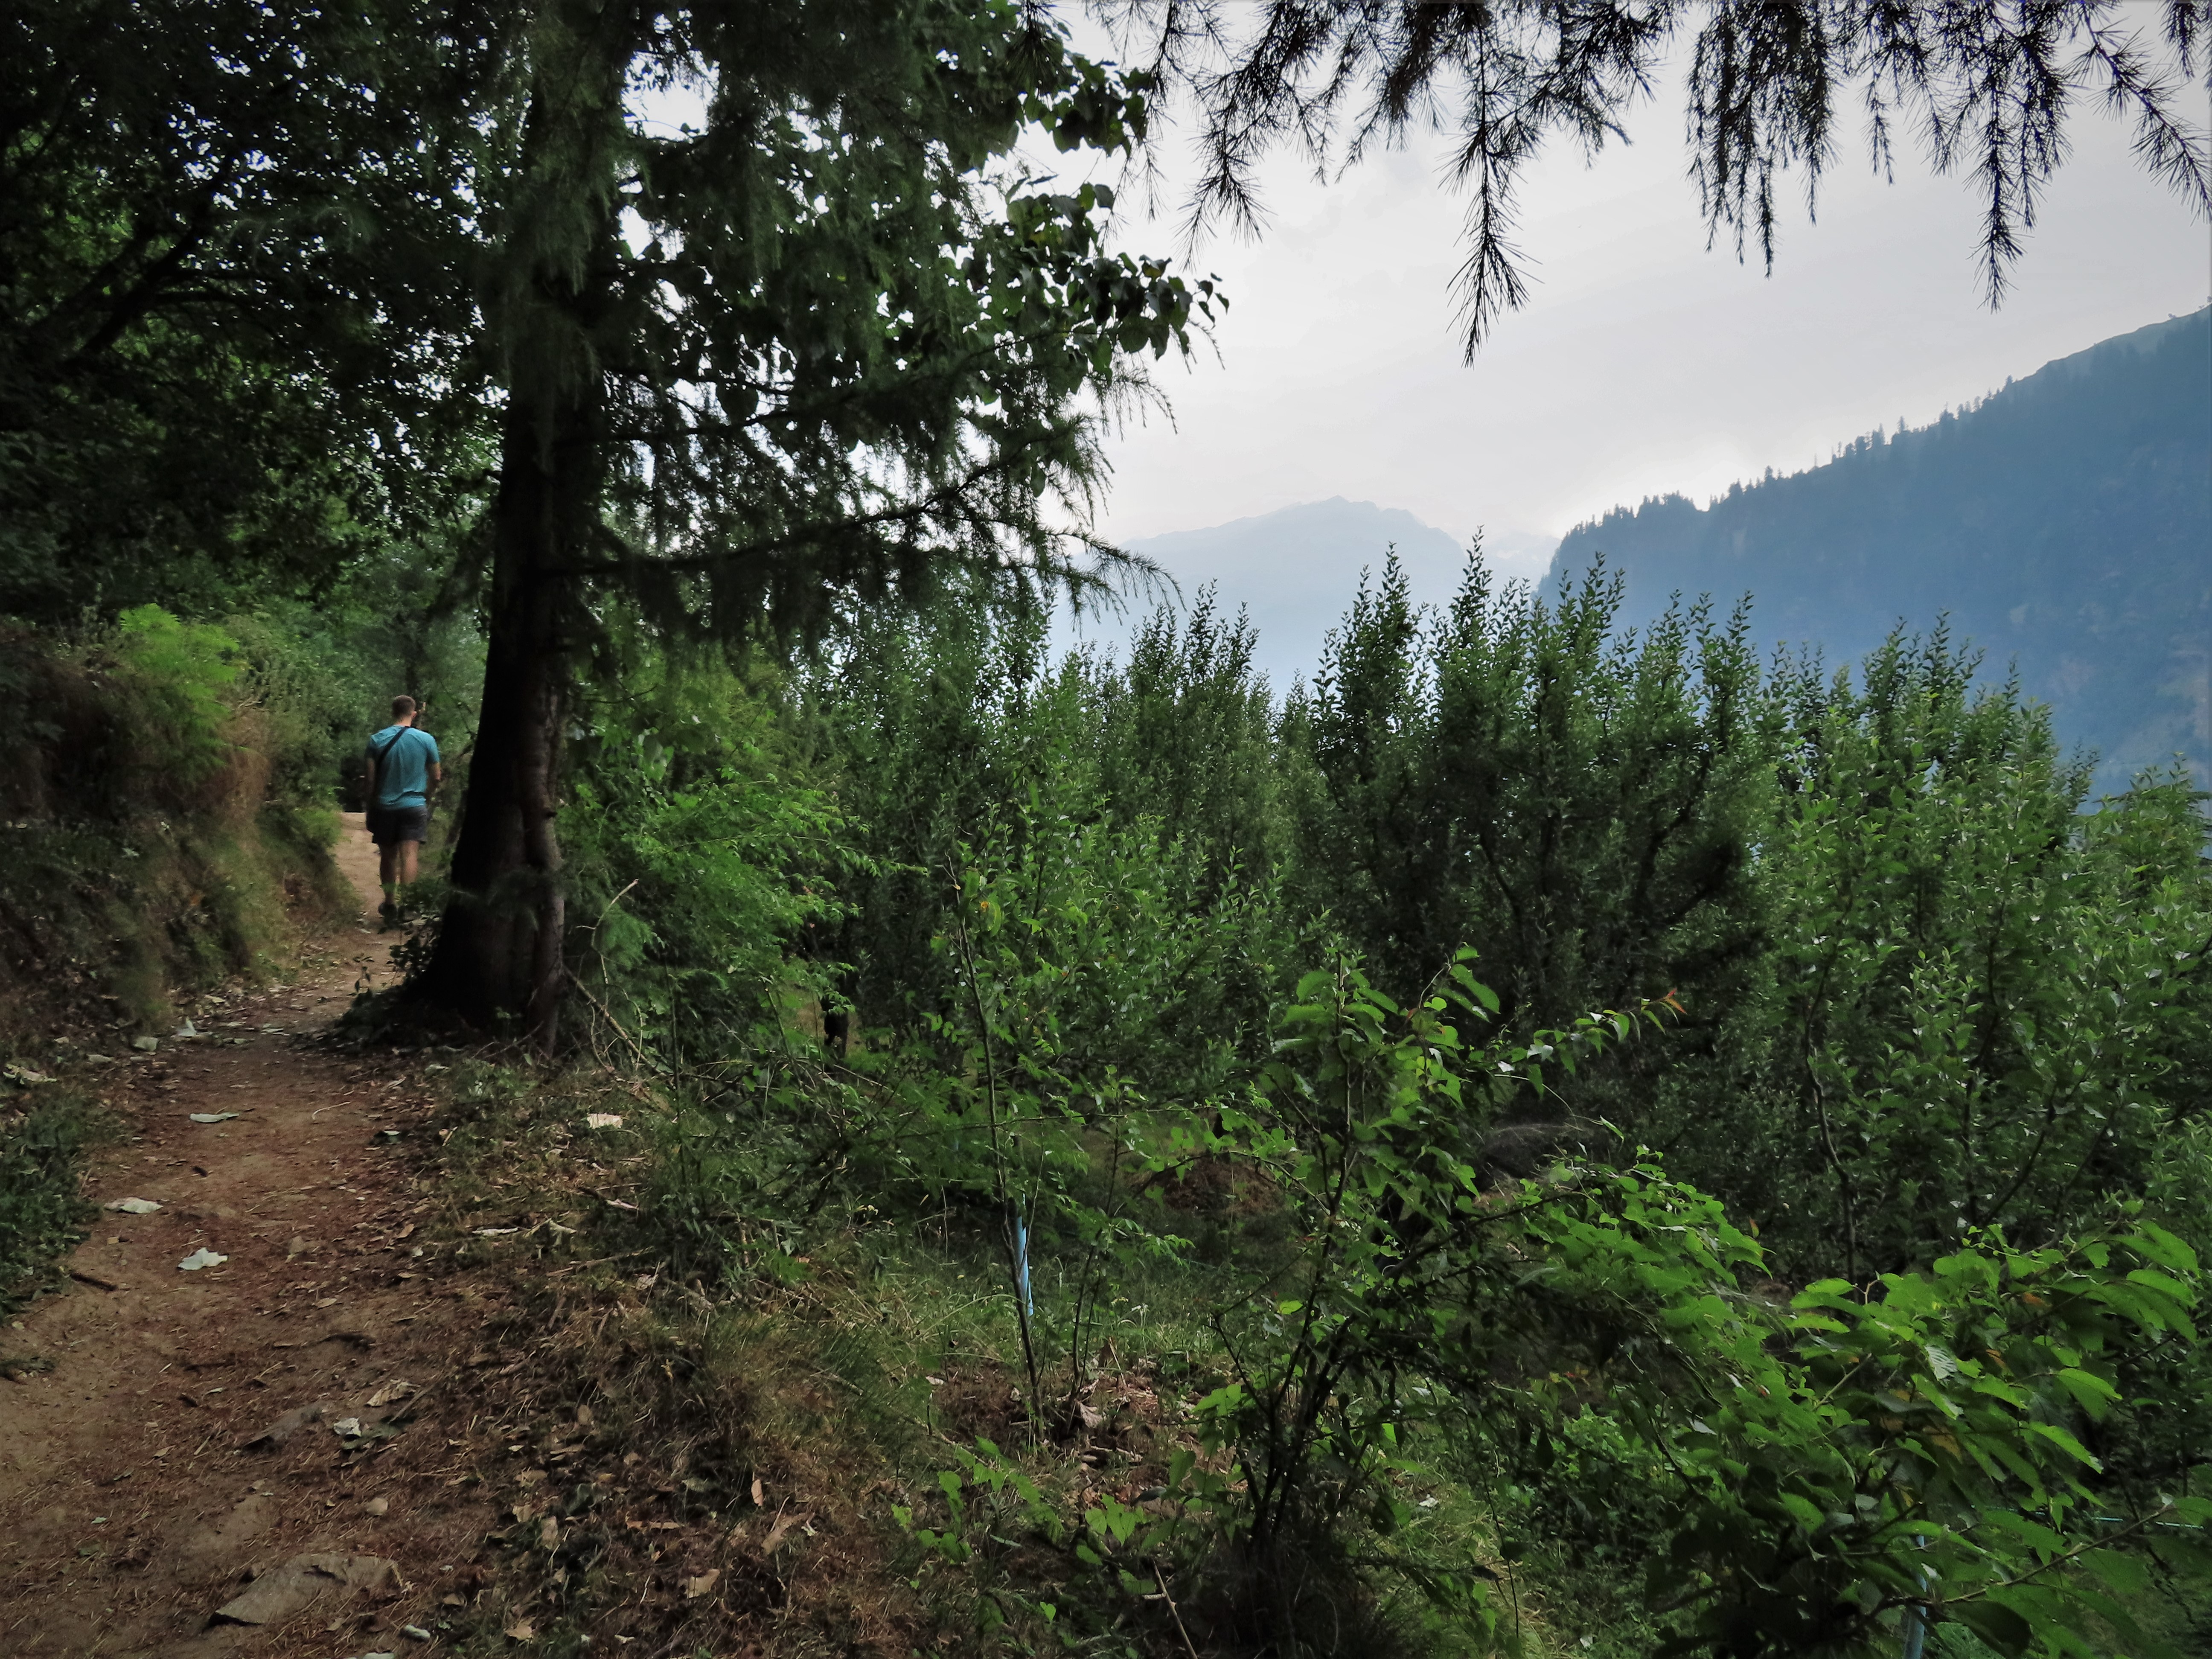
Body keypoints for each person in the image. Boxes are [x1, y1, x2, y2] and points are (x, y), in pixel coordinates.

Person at [365, 695, 442, 923]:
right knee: (410, 855)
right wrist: (425, 796)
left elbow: (370, 781)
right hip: (415, 806)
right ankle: (408, 907)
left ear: (393, 712)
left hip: (385, 807)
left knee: (388, 856)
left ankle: (389, 904)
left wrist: (370, 804)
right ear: (414, 714)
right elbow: (437, 776)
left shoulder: (376, 740)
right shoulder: (427, 740)